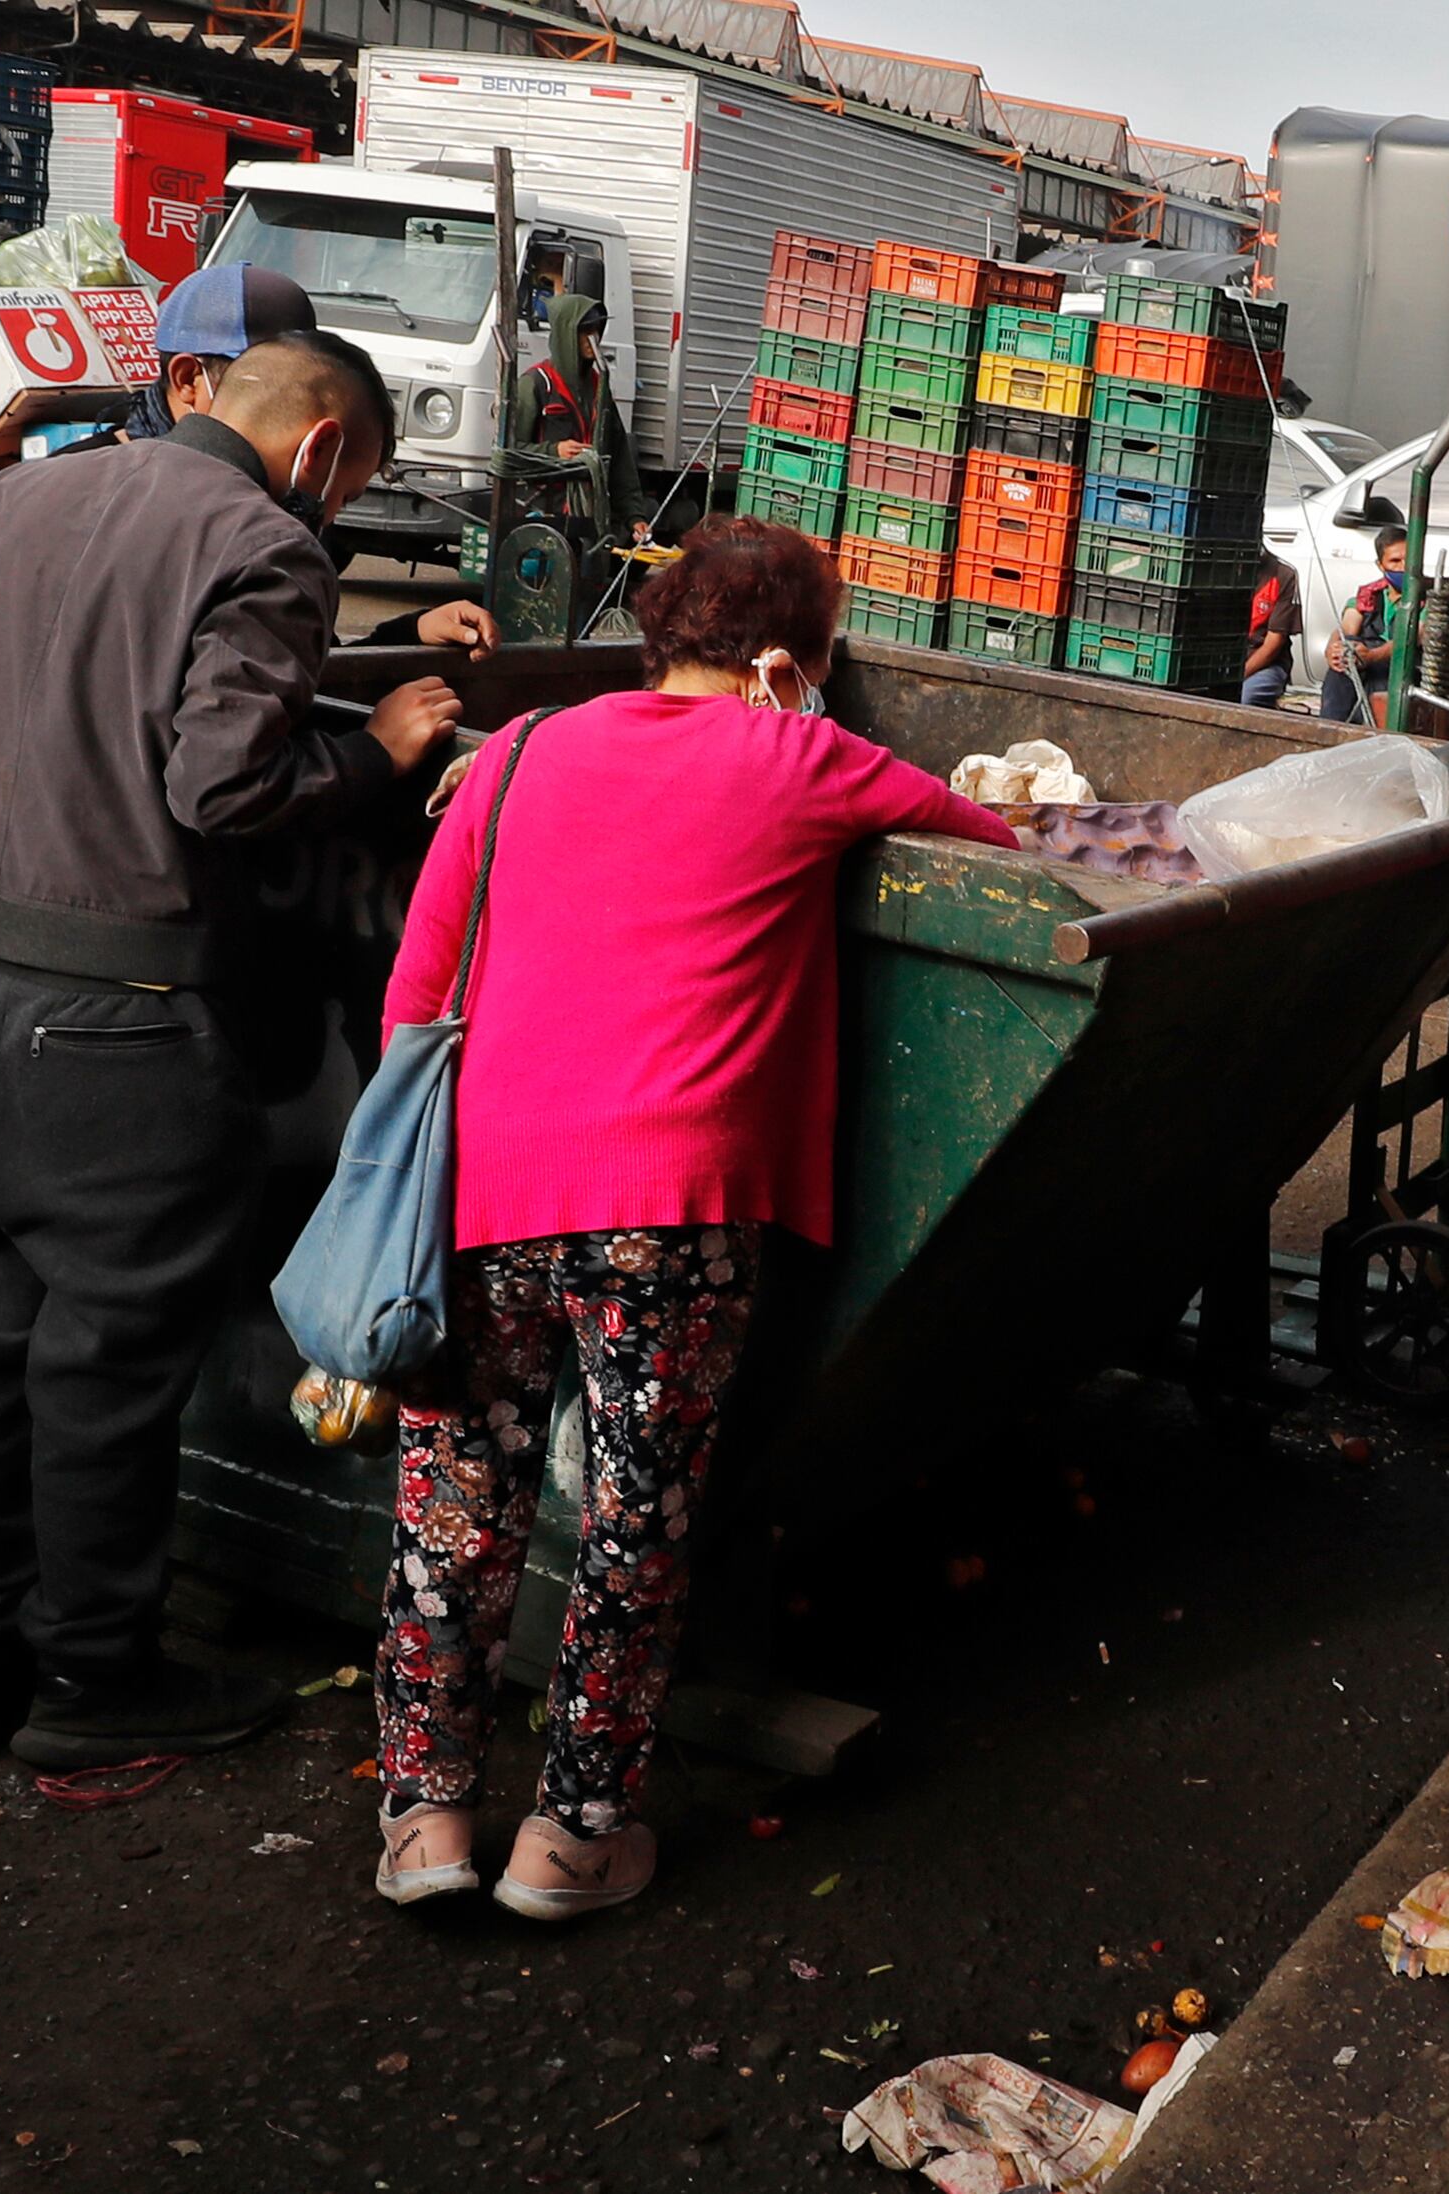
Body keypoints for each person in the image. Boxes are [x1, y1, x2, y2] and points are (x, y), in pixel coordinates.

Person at [366, 520, 1018, 1919]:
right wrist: (807, 727)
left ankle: (426, 1822)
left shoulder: (526, 749)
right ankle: (574, 1837)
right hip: (673, 1210)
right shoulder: (804, 755)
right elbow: (996, 833)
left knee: (455, 1510)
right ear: (791, 658)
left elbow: (418, 981)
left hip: (489, 1181)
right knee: (630, 1526)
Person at [0, 332, 469, 1771]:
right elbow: (222, 785)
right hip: (124, 1024)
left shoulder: (8, 500)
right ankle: (93, 1676)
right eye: (351, 478)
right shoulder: (265, 543)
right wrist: (378, 751)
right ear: (322, 448)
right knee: (106, 1360)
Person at [109, 265, 495, 654]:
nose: (288, 410)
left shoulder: (289, 513)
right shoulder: (113, 498)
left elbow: (297, 669)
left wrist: (406, 635)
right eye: (261, 378)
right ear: (188, 378)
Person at [511, 293, 639, 546]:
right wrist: (554, 451)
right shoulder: (536, 384)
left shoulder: (599, 388)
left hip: (591, 518)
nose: (594, 338)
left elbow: (620, 458)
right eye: (585, 331)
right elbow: (510, 452)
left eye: (597, 329)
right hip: (542, 514)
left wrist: (634, 517)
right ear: (565, 334)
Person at [1315, 528, 1407, 725]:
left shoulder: (1427, 599)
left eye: (1408, 560)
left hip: (1403, 671)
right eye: (1395, 561)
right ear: (1380, 565)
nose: (1403, 567)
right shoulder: (1368, 595)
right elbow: (1345, 629)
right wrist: (1332, 650)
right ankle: (1329, 728)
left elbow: (1415, 635)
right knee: (1346, 652)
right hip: (1364, 667)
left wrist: (1372, 656)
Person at [1239, 551, 1303, 708]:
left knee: (1243, 698)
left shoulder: (1283, 574)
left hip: (1265, 665)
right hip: (1223, 662)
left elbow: (1273, 644)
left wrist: (1240, 675)